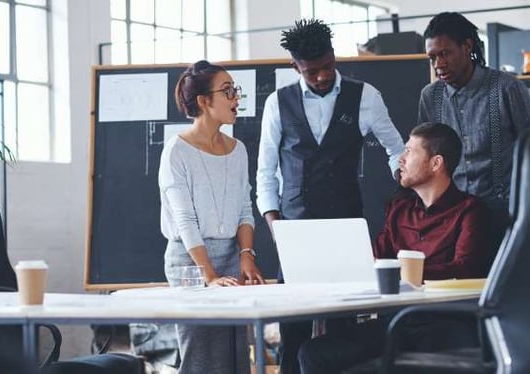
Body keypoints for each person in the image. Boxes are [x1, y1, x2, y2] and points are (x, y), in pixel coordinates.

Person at [256, 19, 404, 374]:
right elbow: (264, 172)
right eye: (311, 72)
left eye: (327, 67)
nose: (322, 76)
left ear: (334, 56)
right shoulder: (278, 103)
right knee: (293, 331)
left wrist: (406, 182)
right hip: (295, 229)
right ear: (296, 67)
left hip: (346, 227)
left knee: (344, 331)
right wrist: (275, 224)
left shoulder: (366, 96)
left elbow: (396, 149)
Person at [298, 122, 492, 373]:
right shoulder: (399, 210)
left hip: (443, 323)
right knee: (313, 353)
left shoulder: (470, 211)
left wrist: (404, 274)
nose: (400, 159)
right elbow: (376, 257)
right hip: (395, 323)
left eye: (410, 151)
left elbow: (465, 269)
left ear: (436, 163)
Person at [158, 60, 265, 374]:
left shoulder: (238, 149)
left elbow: (245, 208)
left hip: (232, 255)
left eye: (236, 90)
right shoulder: (176, 150)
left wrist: (246, 254)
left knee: (234, 356)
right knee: (202, 357)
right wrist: (209, 275)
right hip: (190, 263)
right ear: (204, 101)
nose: (236, 98)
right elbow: (184, 220)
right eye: (227, 91)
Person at [418, 12, 530, 251]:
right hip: (453, 215)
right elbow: (424, 156)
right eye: (432, 57)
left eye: (444, 54)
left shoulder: (506, 87)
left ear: (466, 46)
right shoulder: (430, 96)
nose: (438, 64)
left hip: (505, 213)